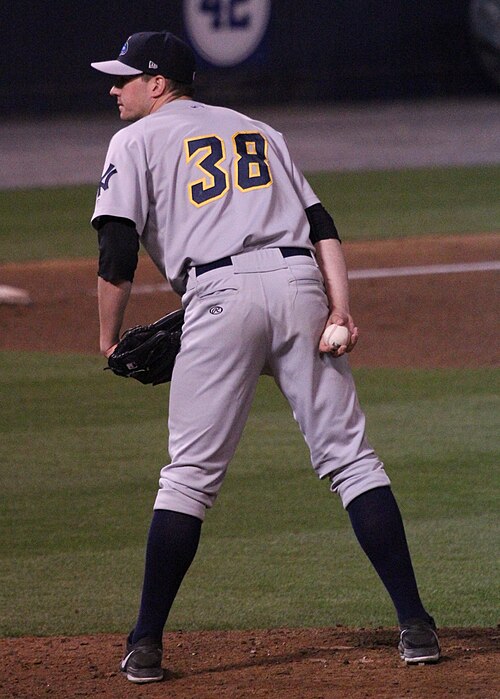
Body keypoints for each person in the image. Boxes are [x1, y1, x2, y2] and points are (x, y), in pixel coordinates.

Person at [91, 30, 440, 684]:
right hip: (302, 284)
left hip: (219, 295)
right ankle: (416, 624)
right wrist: (340, 308)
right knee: (351, 458)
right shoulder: (257, 128)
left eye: (125, 77)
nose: (115, 87)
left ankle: (144, 642)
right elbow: (322, 224)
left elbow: (116, 251)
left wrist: (108, 340)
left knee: (189, 477)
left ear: (158, 83)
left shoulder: (134, 140)